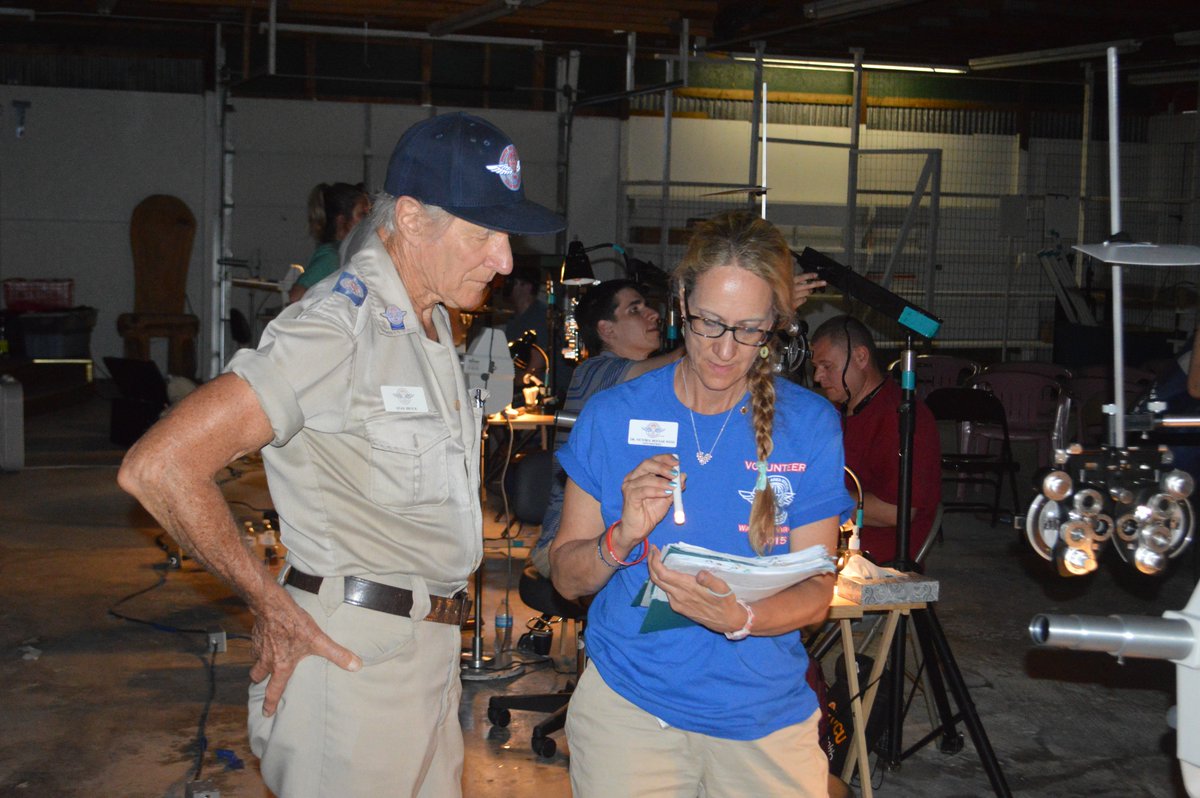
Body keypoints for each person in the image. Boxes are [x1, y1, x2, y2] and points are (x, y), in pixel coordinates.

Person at [117, 111, 563, 798]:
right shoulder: (338, 326)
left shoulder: (433, 321)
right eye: (486, 234)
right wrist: (267, 602)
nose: (505, 260)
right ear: (411, 219)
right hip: (355, 659)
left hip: (427, 652)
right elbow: (160, 466)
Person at [549, 210, 852, 798]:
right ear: (680, 302)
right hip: (631, 713)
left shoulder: (810, 424)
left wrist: (744, 620)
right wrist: (621, 537)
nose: (724, 349)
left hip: (762, 718)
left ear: (776, 326)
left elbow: (817, 590)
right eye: (709, 323)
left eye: (748, 330)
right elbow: (565, 577)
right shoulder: (615, 415)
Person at [531, 270, 827, 578]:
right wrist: (758, 313)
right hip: (563, 543)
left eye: (647, 305)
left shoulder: (811, 420)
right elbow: (677, 365)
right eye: (634, 309)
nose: (651, 314)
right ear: (606, 330)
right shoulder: (596, 371)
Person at [809, 314, 942, 565]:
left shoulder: (903, 417)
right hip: (835, 539)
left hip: (878, 554)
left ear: (860, 357)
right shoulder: (836, 412)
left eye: (827, 366)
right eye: (815, 367)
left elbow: (895, 512)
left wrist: (814, 497)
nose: (817, 377)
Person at [289, 182, 370, 303]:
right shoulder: (331, 257)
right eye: (362, 214)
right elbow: (296, 296)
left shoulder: (348, 253)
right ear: (342, 220)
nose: (368, 220)